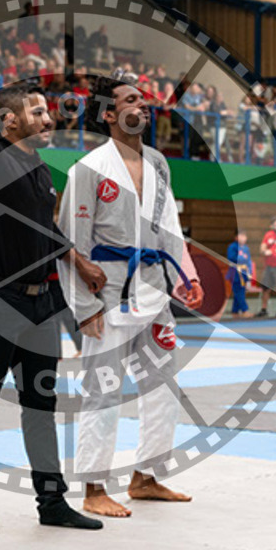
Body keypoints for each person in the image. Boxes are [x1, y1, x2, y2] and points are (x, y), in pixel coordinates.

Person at [0, 80, 104, 533]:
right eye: (36, 112)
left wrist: (78, 260)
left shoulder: (40, 169)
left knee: (40, 406)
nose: (48, 119)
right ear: (8, 121)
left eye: (47, 111)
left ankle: (51, 504)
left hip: (40, 307)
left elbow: (42, 228)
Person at [56, 73, 203, 518]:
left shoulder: (159, 163)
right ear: (109, 113)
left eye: (143, 99)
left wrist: (187, 274)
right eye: (131, 100)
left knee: (162, 386)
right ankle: (94, 487)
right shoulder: (88, 169)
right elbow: (71, 242)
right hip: (110, 295)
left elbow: (170, 224)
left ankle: (147, 476)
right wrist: (84, 309)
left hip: (155, 288)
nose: (143, 106)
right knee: (103, 390)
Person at [227, 229, 252, 318]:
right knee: (239, 292)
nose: (243, 238)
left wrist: (250, 274)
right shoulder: (232, 247)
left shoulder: (246, 248)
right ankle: (245, 310)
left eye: (244, 236)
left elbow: (249, 261)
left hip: (244, 273)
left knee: (240, 292)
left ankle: (235, 311)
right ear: (236, 237)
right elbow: (231, 258)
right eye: (241, 236)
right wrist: (242, 258)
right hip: (235, 273)